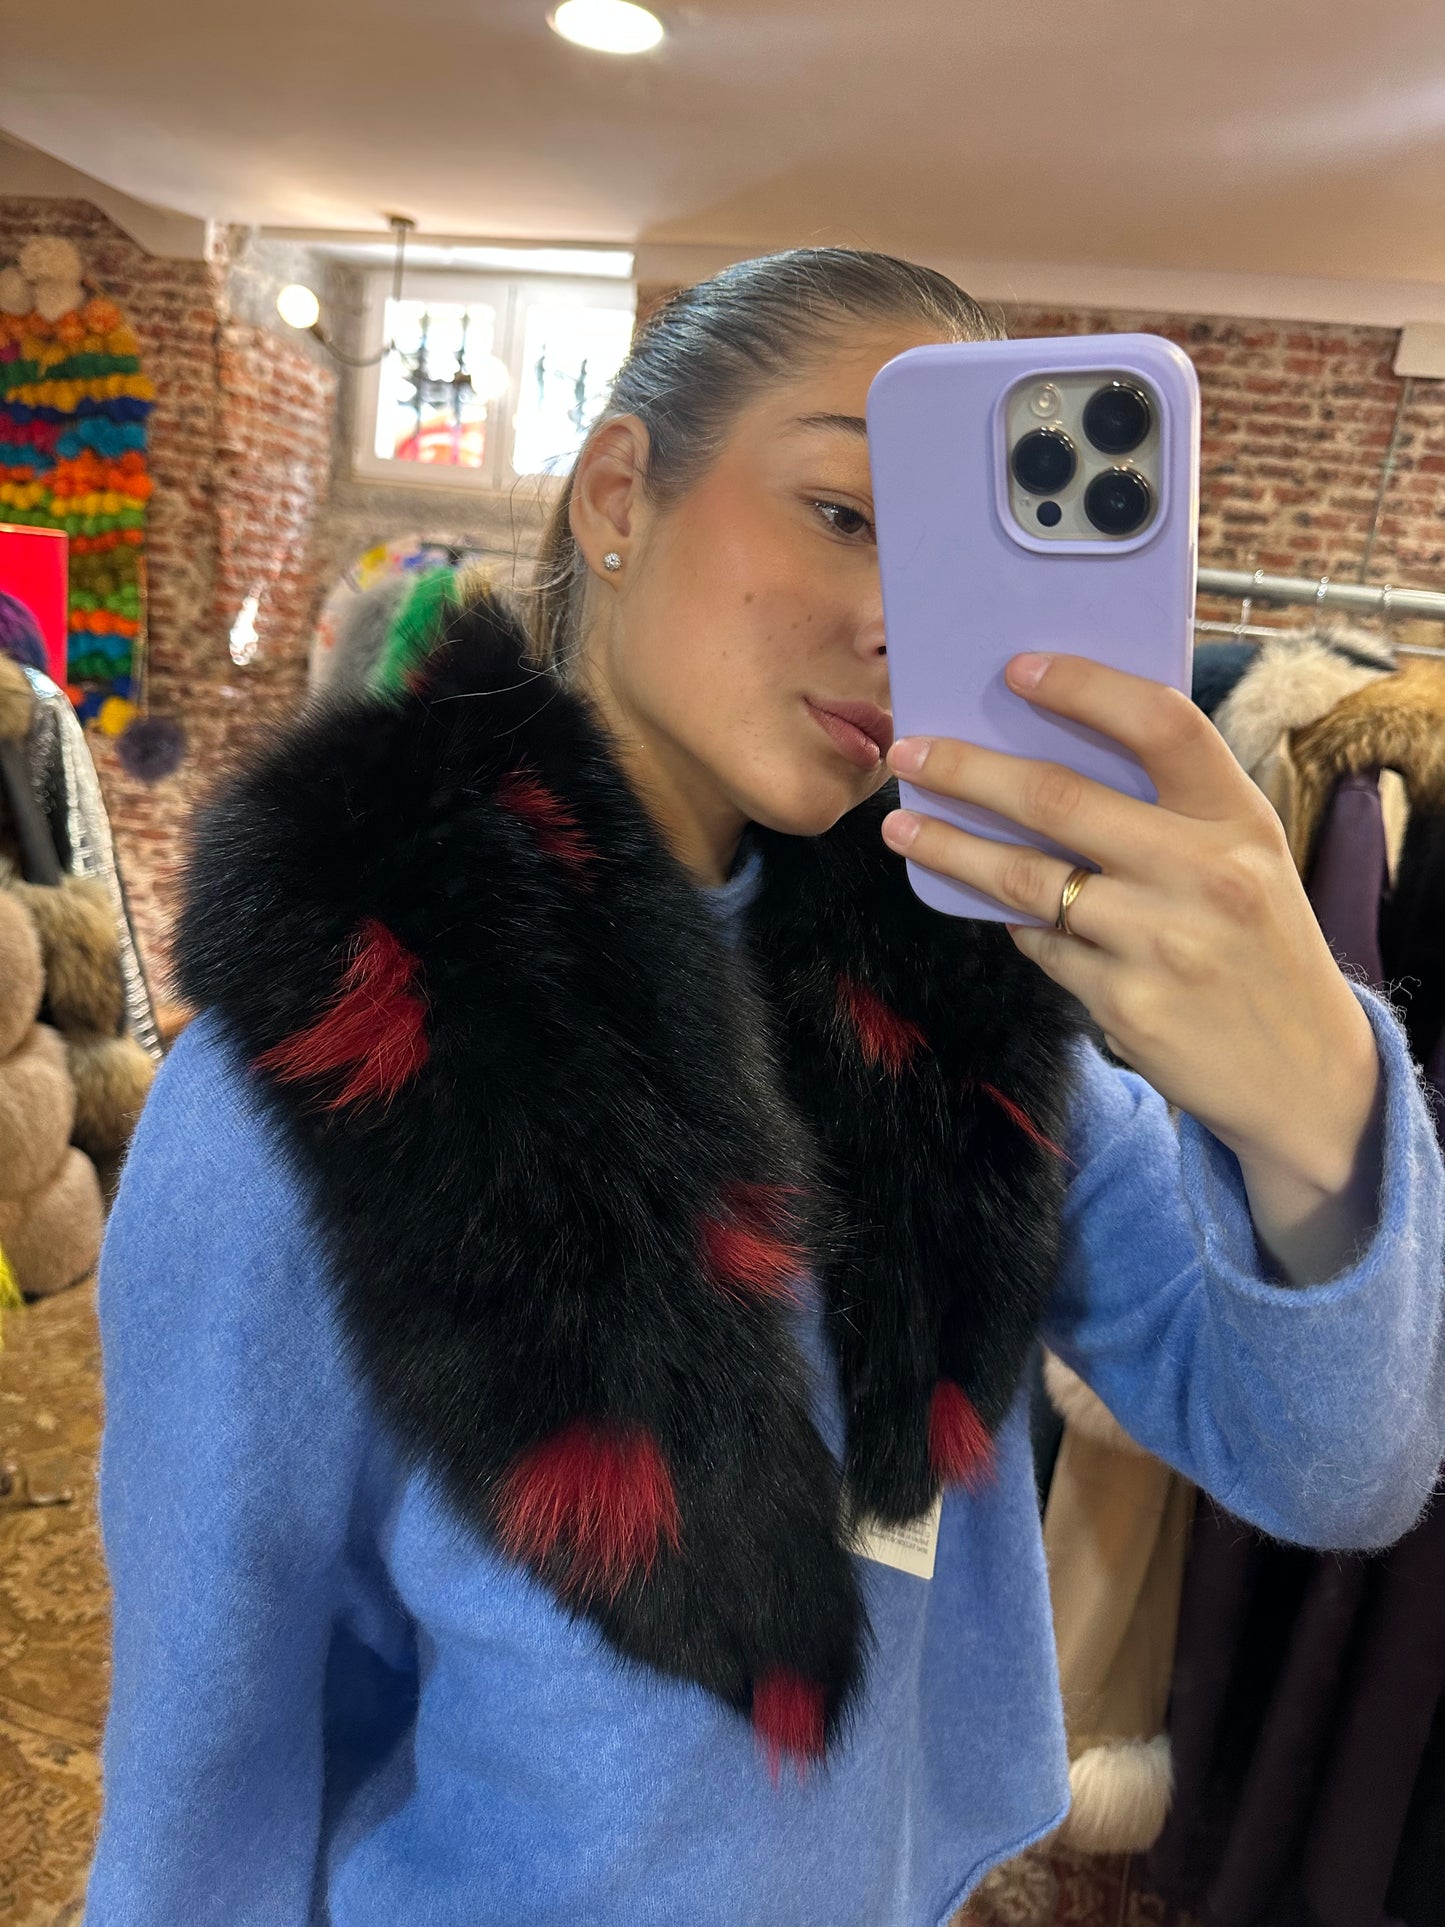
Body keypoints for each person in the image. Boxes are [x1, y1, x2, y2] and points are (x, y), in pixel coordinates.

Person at [82, 250, 1445, 1927]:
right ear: (617, 496)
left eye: (943, 559)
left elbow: (1332, 1466)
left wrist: (1310, 1102)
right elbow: (209, 1747)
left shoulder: (969, 1011)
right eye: (843, 513)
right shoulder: (335, 1063)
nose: (895, 620)